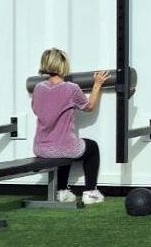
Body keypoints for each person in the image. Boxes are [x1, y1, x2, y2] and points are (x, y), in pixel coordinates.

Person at [31, 49, 107, 204]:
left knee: (63, 147)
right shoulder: (71, 88)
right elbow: (89, 106)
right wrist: (97, 83)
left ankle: (62, 191)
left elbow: (35, 109)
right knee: (91, 147)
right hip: (63, 148)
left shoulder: (38, 88)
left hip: (41, 148)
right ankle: (90, 192)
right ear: (63, 65)